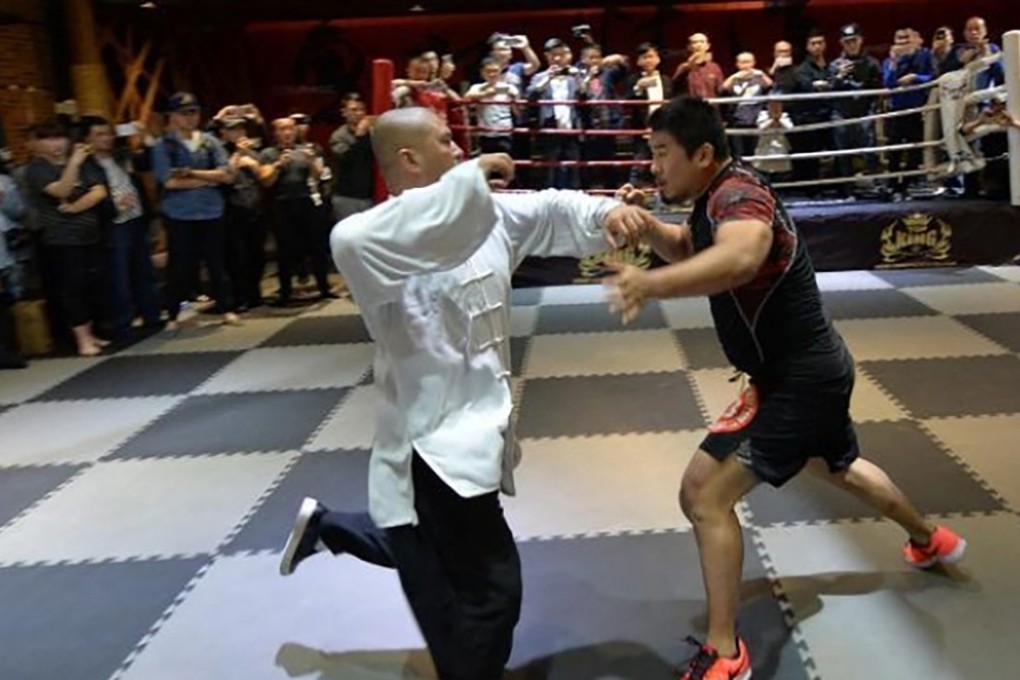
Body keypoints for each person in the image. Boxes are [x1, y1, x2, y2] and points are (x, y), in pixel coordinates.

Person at [278, 107, 653, 680]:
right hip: (430, 441)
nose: (458, 148)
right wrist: (473, 172)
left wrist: (609, 212)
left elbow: (552, 210)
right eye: (446, 140)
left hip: (477, 425)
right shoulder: (361, 241)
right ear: (408, 159)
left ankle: (328, 526)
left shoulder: (487, 214)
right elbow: (441, 224)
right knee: (492, 590)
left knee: (427, 548)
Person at [604, 97, 966, 680]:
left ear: (702, 153)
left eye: (662, 154)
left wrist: (651, 285)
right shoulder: (714, 195)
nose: (654, 168)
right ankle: (930, 540)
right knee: (836, 466)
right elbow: (694, 249)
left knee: (705, 497)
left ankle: (726, 653)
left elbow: (741, 258)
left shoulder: (739, 195)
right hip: (804, 373)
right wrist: (648, 228)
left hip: (799, 381)